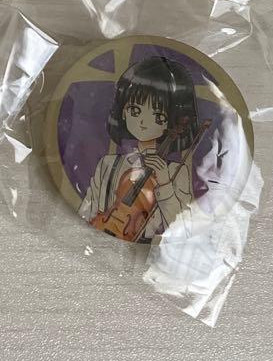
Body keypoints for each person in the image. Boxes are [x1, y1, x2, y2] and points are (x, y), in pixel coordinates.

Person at [79, 56, 200, 241]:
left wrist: (165, 185)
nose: (143, 122)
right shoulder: (108, 164)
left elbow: (183, 229)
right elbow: (87, 210)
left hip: (142, 251)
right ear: (123, 112)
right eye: (135, 111)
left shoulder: (176, 172)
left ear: (171, 121)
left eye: (158, 116)